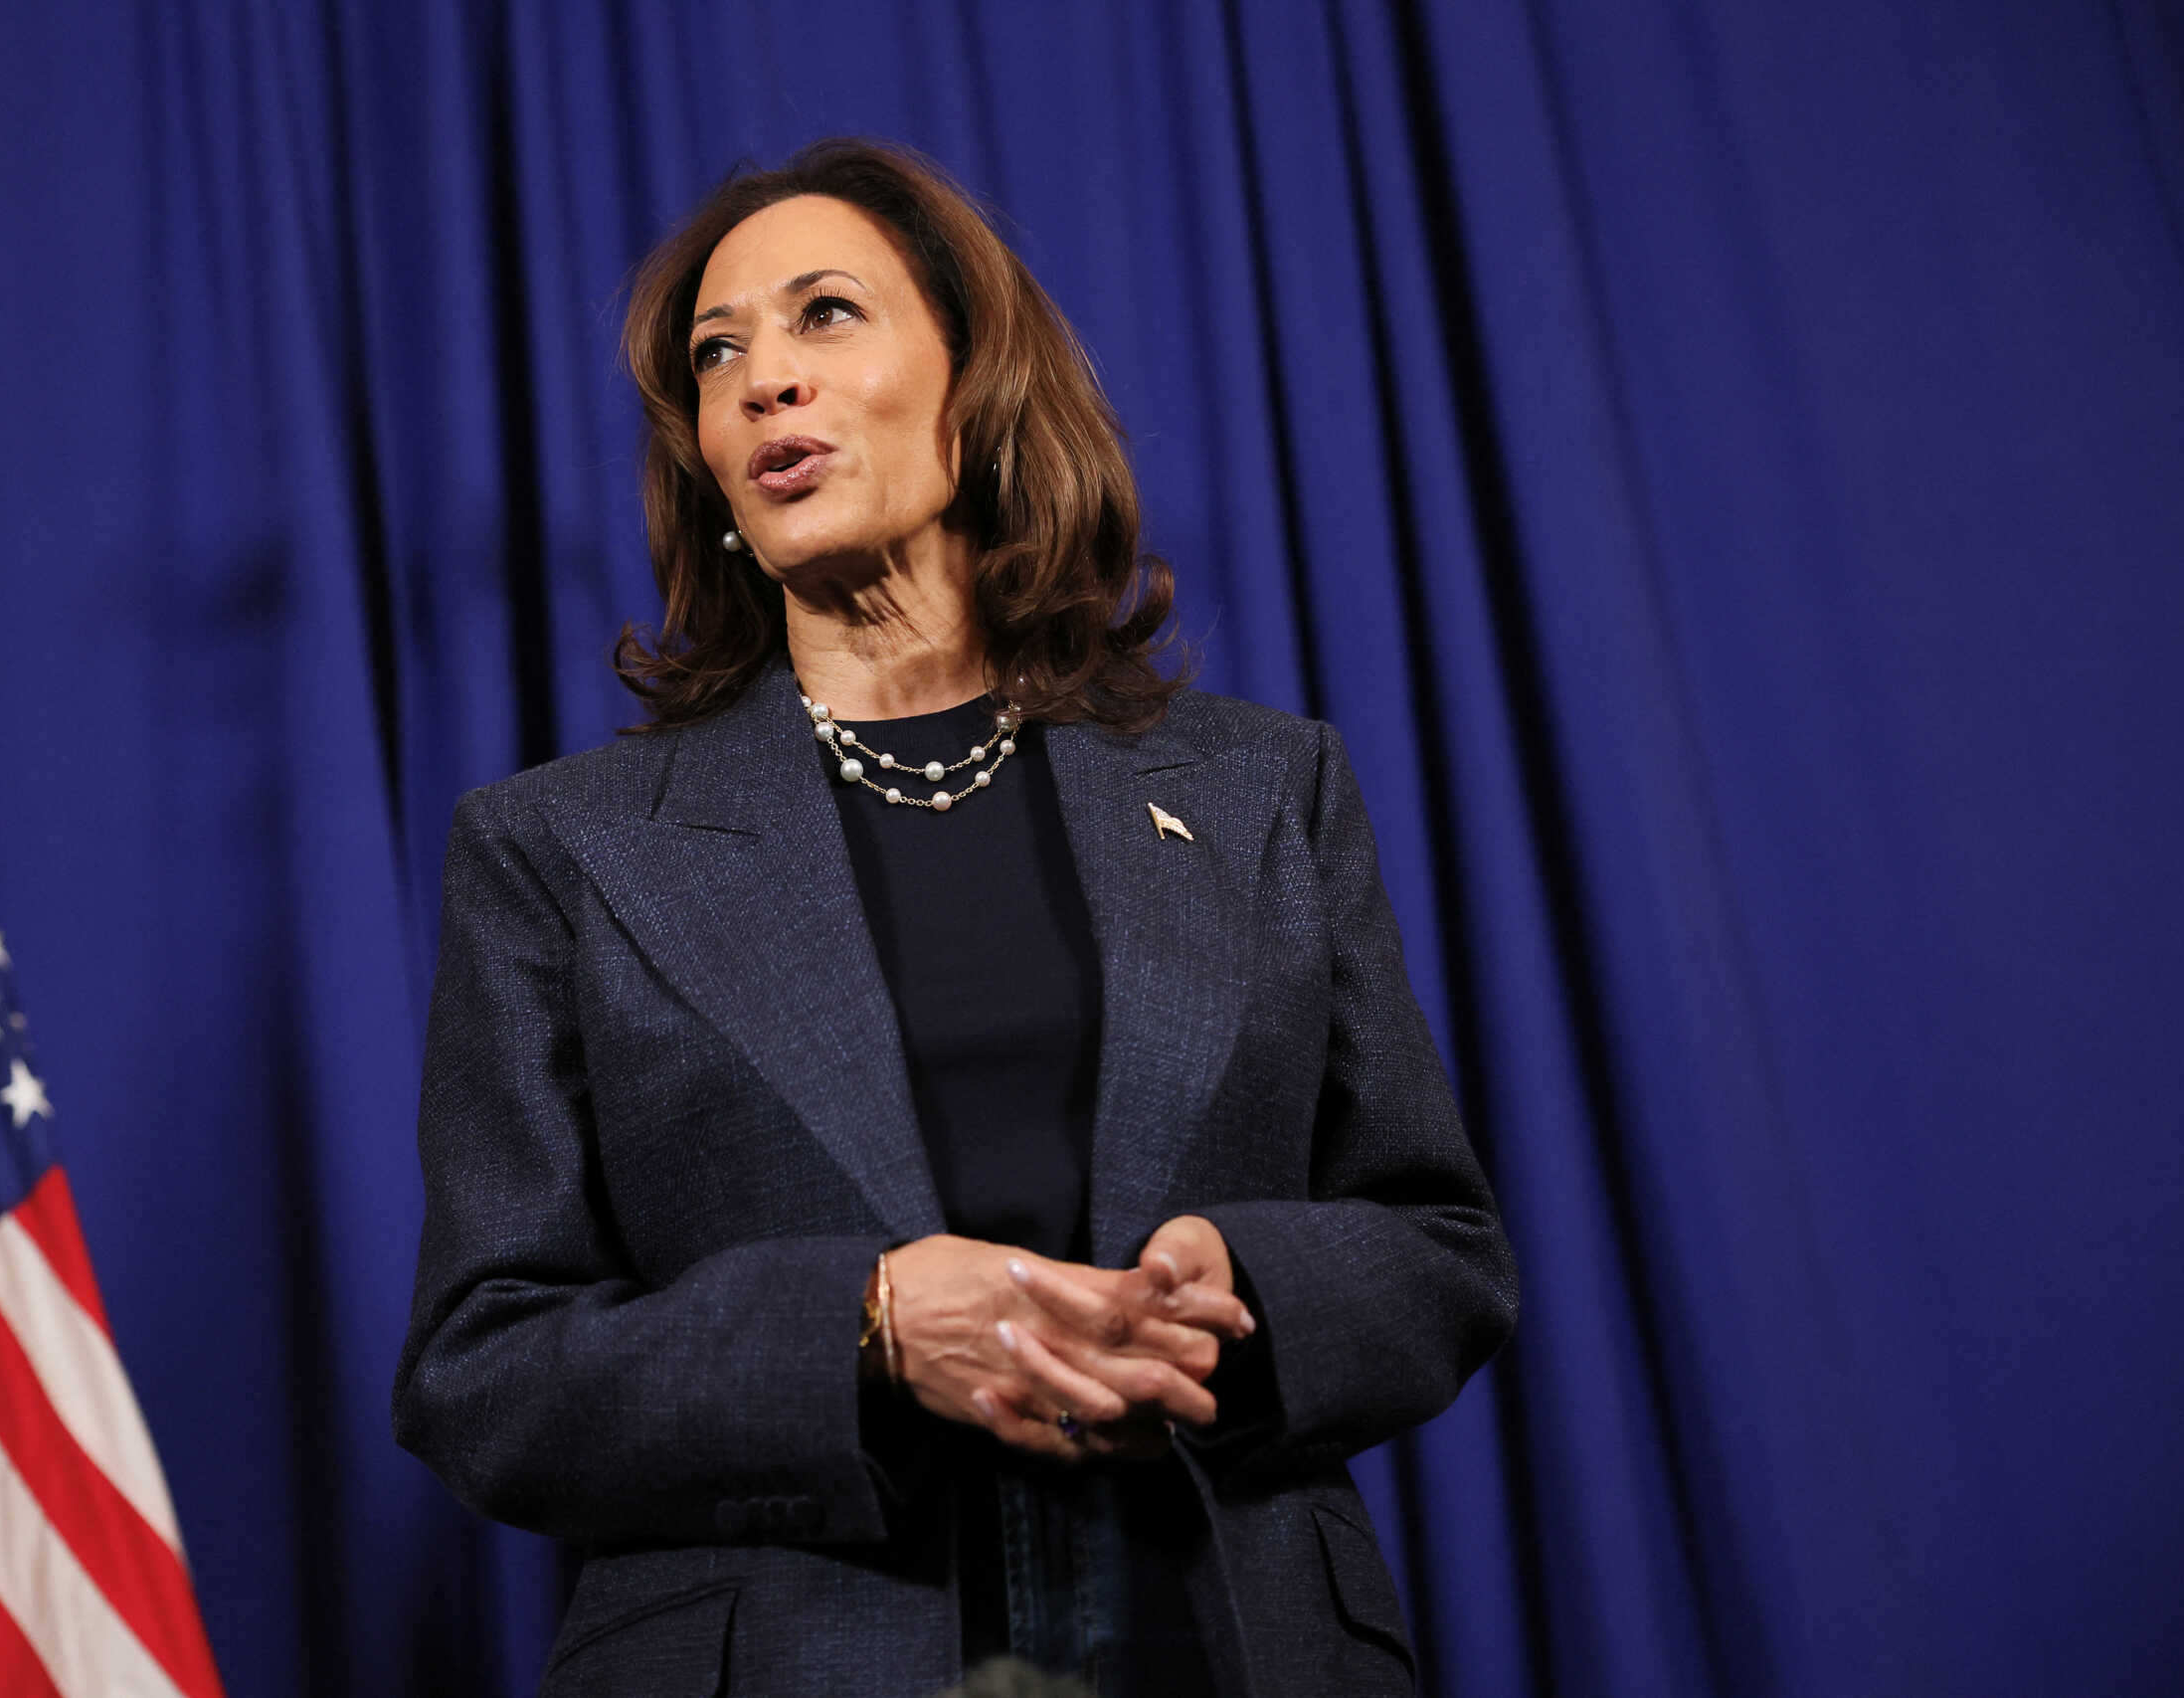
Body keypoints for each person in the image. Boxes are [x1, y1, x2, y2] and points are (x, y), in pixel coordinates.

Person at [392, 137, 1518, 1698]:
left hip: (1222, 1636)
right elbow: (484, 1369)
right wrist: (856, 1326)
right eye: (720, 357)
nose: (765, 380)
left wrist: (1245, 1291)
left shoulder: (1266, 789)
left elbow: (1442, 1248)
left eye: (825, 316)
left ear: (976, 382)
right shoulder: (559, 853)